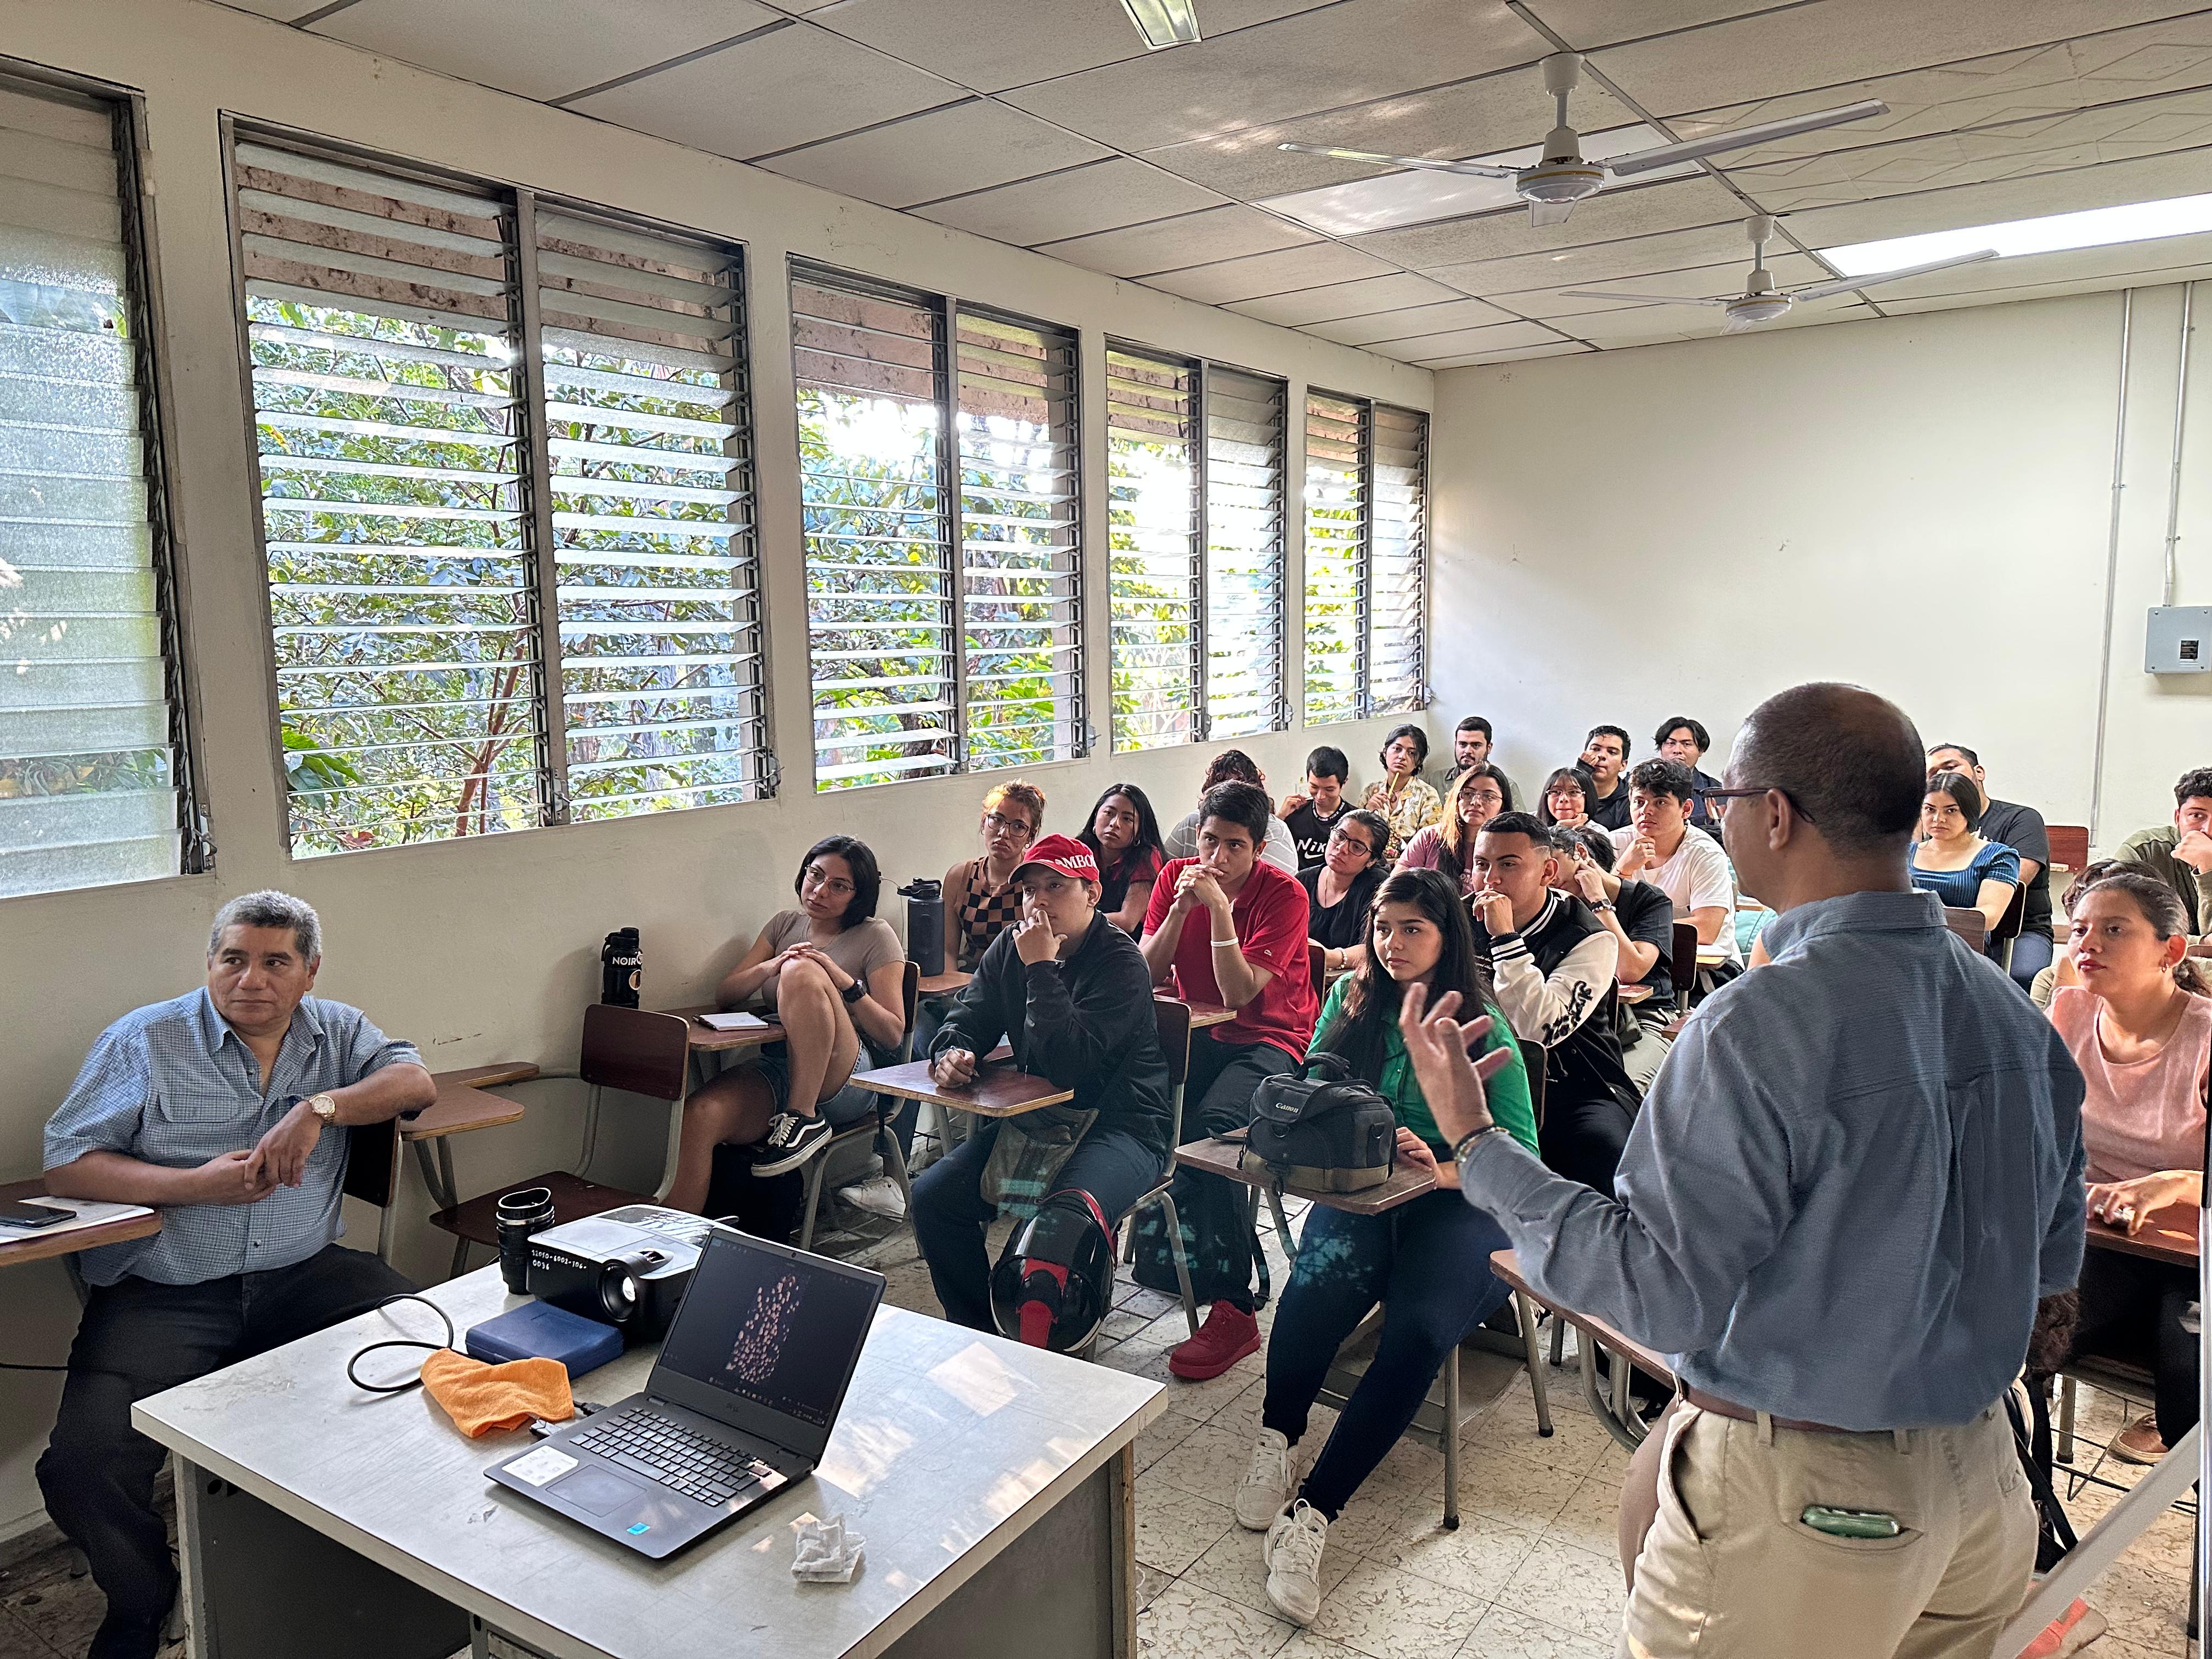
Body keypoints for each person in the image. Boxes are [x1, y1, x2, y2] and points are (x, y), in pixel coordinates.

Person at [1400, 682, 2085, 1659]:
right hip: (1982, 1488)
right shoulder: (2016, 1019)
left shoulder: (1759, 1022)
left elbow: (1657, 1292)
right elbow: (2051, 1259)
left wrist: (1476, 1144)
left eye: (1722, 795)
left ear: (1775, 813)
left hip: (1816, 1503)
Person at [37, 892, 435, 1659]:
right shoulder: (146, 1040)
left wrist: (316, 1107)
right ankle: (145, 1600)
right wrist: (191, 1186)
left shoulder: (340, 1032)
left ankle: (383, 1566)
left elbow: (414, 1083)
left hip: (305, 1275)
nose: (251, 979)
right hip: (170, 1290)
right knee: (85, 1463)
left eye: (275, 961)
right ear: (210, 964)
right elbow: (69, 1164)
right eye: (234, 959)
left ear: (309, 972)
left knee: (435, 1360)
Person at [1232, 869, 1537, 1625]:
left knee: (1422, 1328)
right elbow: (1311, 1090)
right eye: (1383, 928)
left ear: (1446, 939)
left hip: (1461, 1201)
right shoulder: (1353, 999)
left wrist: (1435, 1164)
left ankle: (1315, 1514)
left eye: (1413, 930)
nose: (1392, 944)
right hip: (1368, 1189)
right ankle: (1280, 1434)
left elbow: (1521, 1159)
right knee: (1313, 1288)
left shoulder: (1478, 1025)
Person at [910, 836, 1173, 1330]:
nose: (1040, 902)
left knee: (1058, 1226)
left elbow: (1069, 1065)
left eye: (1056, 886)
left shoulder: (1121, 963)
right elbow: (965, 1021)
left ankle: (1052, 1342)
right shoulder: (1012, 948)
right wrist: (950, 1054)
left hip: (1125, 1128)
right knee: (934, 1197)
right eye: (1030, 891)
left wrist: (1041, 969)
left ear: (1092, 893)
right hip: (1042, 1126)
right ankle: (981, 1330)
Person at [1139, 781, 1319, 1379]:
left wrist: (1219, 911)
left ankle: (1233, 1305)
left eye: (1233, 847)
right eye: (1208, 841)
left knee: (1216, 1131)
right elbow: (1147, 971)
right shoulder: (1176, 878)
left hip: (1272, 1039)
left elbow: (1241, 993)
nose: (1215, 858)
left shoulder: (1285, 896)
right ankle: (1158, 1251)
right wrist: (1182, 911)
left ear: (1259, 847)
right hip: (1198, 1031)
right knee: (1136, 1107)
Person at [2047, 868, 2211, 1465]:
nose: (2087, 945)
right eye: (2082, 929)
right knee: (2014, 1330)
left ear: (2171, 950)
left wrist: (2168, 1185)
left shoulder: (2205, 1038)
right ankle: (2029, 1517)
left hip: (2188, 1258)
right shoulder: (2067, 1012)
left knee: (2191, 1375)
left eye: (2114, 930)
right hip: (2093, 1241)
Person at [668, 837, 907, 1199]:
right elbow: (726, 993)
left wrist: (841, 981)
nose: (820, 890)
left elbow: (893, 1034)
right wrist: (772, 965)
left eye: (839, 886)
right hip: (782, 1067)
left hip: (848, 1078)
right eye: (816, 875)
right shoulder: (784, 924)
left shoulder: (875, 935)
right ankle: (681, 1247)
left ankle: (804, 1115)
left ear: (858, 896)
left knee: (802, 969)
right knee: (699, 1116)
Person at [1465, 814, 1639, 1194]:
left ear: (1547, 871)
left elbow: (1537, 1030)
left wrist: (1505, 938)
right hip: (1471, 1076)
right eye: (1481, 865)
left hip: (1571, 1082)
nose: (1490, 879)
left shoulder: (1589, 937)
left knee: (1604, 1151)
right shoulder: (1455, 918)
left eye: (1508, 865)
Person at [1558, 825, 1680, 1091]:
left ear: (1580, 853)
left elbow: (1628, 970)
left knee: (1624, 1091)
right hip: (1584, 1022)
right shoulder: (1558, 903)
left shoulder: (1649, 900)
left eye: (1555, 866)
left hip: (1644, 1018)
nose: (1549, 879)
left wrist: (1599, 902)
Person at [1926, 743, 2055, 994]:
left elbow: (2017, 883)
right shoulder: (1928, 825)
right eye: (1933, 774)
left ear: (1979, 772)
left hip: (2017, 932)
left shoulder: (2021, 819)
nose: (1943, 776)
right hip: (1943, 928)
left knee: (2017, 976)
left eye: (1951, 767)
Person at [1613, 758, 1742, 982]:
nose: (1647, 811)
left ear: (1686, 809)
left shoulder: (1705, 854)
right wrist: (1621, 871)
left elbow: (1706, 929)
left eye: (1660, 803)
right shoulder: (1616, 842)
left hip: (1705, 970)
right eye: (1639, 802)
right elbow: (1594, 910)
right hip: (1637, 961)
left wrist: (1639, 934)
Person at [940, 780, 1048, 972]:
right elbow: (948, 953)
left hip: (1019, 981)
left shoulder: (1034, 880)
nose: (1003, 833)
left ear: (1030, 836)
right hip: (970, 980)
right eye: (997, 819)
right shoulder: (960, 877)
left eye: (1018, 826)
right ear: (984, 821)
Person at [1909, 771, 2021, 948]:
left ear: (1969, 812)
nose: (1939, 819)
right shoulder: (1904, 853)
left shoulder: (1998, 856)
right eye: (1930, 809)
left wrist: (1923, 915)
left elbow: (1988, 917)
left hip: (1964, 951)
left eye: (1951, 810)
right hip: (1905, 946)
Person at [1165, 748, 1300, 874]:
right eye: (1210, 840)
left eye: (1234, 845)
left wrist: (1213, 896)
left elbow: (1274, 891)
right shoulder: (1193, 821)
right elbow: (1161, 871)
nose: (1218, 858)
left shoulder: (1273, 833)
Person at [2115, 766, 2212, 938]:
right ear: (2177, 818)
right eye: (2197, 815)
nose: (2208, 830)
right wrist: (2201, 945)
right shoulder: (2144, 851)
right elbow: (2120, 927)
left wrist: (2208, 869)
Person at [1396, 764, 1511, 896]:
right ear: (1456, 798)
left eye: (1488, 797)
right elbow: (1397, 887)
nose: (1476, 802)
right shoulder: (1429, 837)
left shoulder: (1509, 848)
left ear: (1503, 806)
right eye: (1468, 794)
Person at [1300, 808, 1389, 978]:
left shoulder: (1377, 886)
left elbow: (1377, 945)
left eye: (1356, 847)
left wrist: (1329, 956)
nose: (1342, 848)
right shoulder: (1303, 880)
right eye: (1340, 836)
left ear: (1372, 861)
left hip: (1353, 983)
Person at [1077, 781, 1167, 935]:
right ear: (1095, 817)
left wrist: (1074, 922)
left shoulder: (1146, 856)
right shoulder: (1079, 850)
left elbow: (1127, 921)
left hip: (1127, 944)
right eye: (1109, 813)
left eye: (1127, 819)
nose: (1115, 824)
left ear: (1139, 832)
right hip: (1083, 937)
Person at [1361, 724, 1443, 857]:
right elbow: (1354, 833)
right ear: (1386, 752)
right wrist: (1368, 810)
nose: (1402, 757)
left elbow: (1432, 843)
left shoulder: (1427, 795)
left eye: (1412, 753)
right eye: (1397, 749)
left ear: (1419, 761)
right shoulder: (1371, 790)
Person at [1281, 746, 1355, 873]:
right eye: (1314, 786)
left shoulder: (1353, 820)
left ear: (1344, 783)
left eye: (1329, 789)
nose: (1320, 796)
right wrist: (1280, 818)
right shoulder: (1293, 812)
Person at [1655, 716, 1724, 831]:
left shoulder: (1714, 790)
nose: (1677, 750)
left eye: (1686, 744)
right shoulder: (1641, 785)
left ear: (1701, 750)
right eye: (1671, 743)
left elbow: (1726, 835)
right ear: (1661, 748)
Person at [1441, 714, 1516, 801]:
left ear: (1489, 748)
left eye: (1476, 745)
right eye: (1463, 744)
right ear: (1456, 745)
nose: (1468, 751)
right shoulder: (1436, 780)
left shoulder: (1507, 786)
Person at [1579, 725, 1633, 832]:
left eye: (1612, 752)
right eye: (1595, 749)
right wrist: (1580, 774)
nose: (1601, 755)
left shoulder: (1631, 800)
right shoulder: (1564, 792)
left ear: (1623, 765)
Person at [1537, 765, 1594, 832]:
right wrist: (1559, 828)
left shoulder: (1600, 833)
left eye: (1574, 792)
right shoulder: (1528, 824)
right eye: (1556, 792)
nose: (1563, 799)